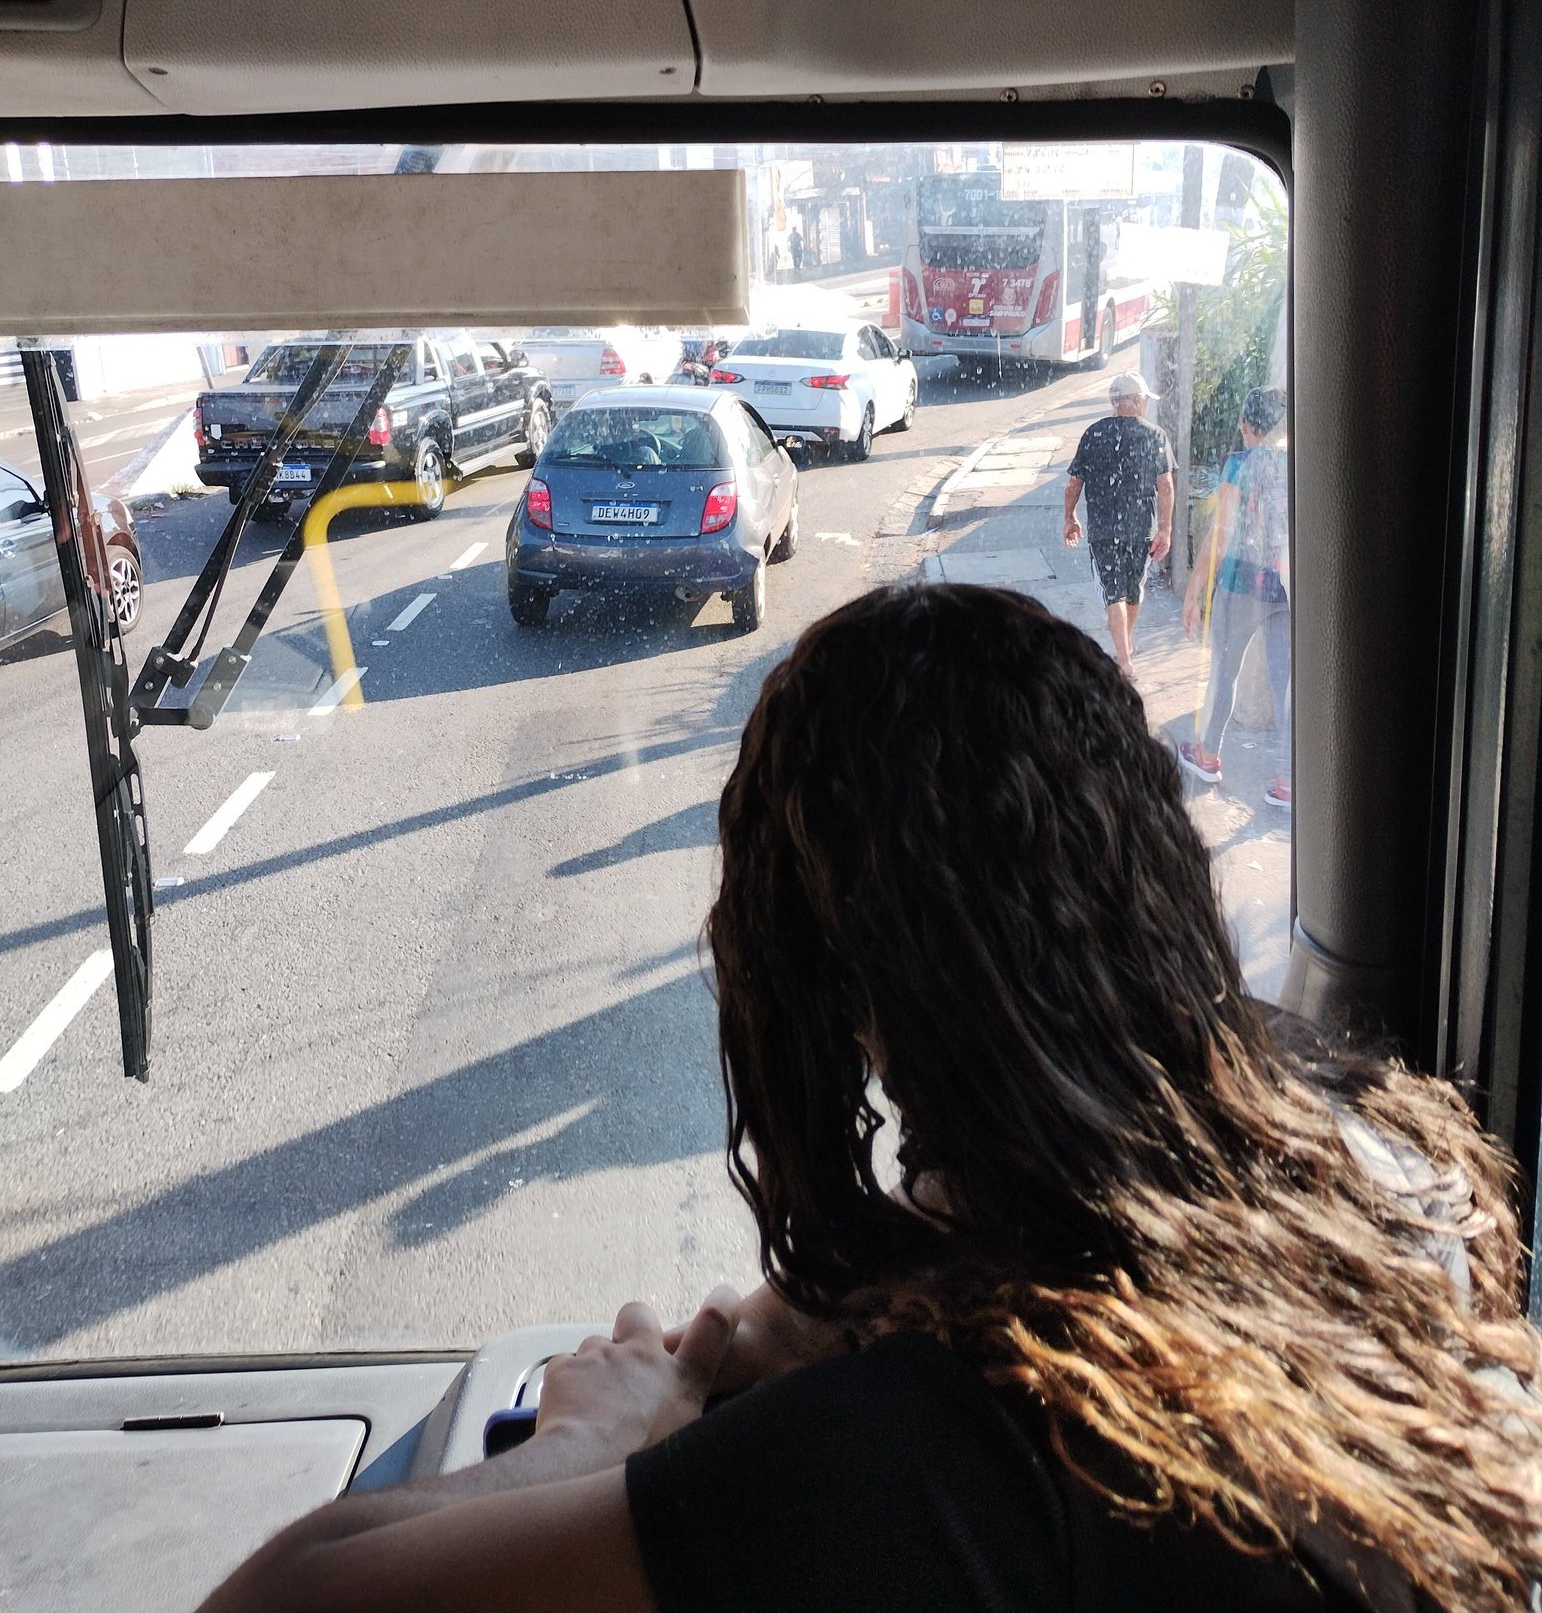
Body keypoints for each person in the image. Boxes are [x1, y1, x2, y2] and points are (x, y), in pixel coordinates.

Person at [203, 585, 1542, 1613]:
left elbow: (281, 1598)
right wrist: (854, 1293)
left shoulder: (944, 1448)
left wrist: (597, 1437)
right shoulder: (1378, 1153)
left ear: (820, 988)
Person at [1180, 385, 1292, 809]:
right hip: (1283, 586)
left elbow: (1220, 536)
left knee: (1224, 672)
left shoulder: (1239, 465)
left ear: (1247, 425)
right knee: (1285, 684)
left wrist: (1193, 591)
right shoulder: (1297, 463)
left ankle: (1207, 755)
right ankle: (1287, 780)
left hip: (1240, 584)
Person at [1063, 369, 1174, 676]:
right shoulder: (1155, 435)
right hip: (1140, 527)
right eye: (1144, 400)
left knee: (1114, 592)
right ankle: (1124, 651)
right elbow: (1165, 484)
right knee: (1133, 588)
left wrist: (1069, 516)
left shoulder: (1094, 433)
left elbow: (1074, 484)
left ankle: (1123, 656)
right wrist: (1165, 528)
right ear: (1137, 400)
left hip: (1103, 528)